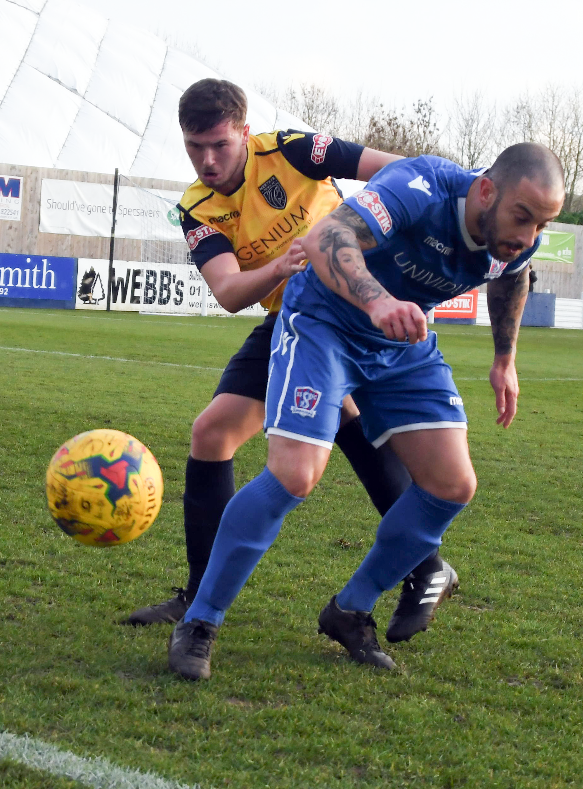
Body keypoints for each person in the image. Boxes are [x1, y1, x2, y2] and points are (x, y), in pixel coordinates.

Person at [167, 142, 566, 680]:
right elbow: (326, 236)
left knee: (452, 484)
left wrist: (504, 358)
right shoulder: (421, 187)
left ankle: (350, 611)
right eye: (523, 217)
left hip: (401, 341)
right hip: (325, 323)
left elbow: (513, 272)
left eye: (543, 225)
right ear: (487, 190)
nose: (528, 236)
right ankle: (200, 620)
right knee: (294, 475)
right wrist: (378, 301)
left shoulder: (514, 235)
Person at [123, 78, 458, 641]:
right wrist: (281, 266)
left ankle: (423, 567)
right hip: (292, 320)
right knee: (213, 433)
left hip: (357, 310)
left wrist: (362, 238)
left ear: (244, 133)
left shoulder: (293, 150)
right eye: (194, 147)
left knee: (353, 427)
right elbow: (229, 292)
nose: (207, 160)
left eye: (219, 145)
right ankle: (200, 591)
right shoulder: (196, 208)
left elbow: (402, 169)